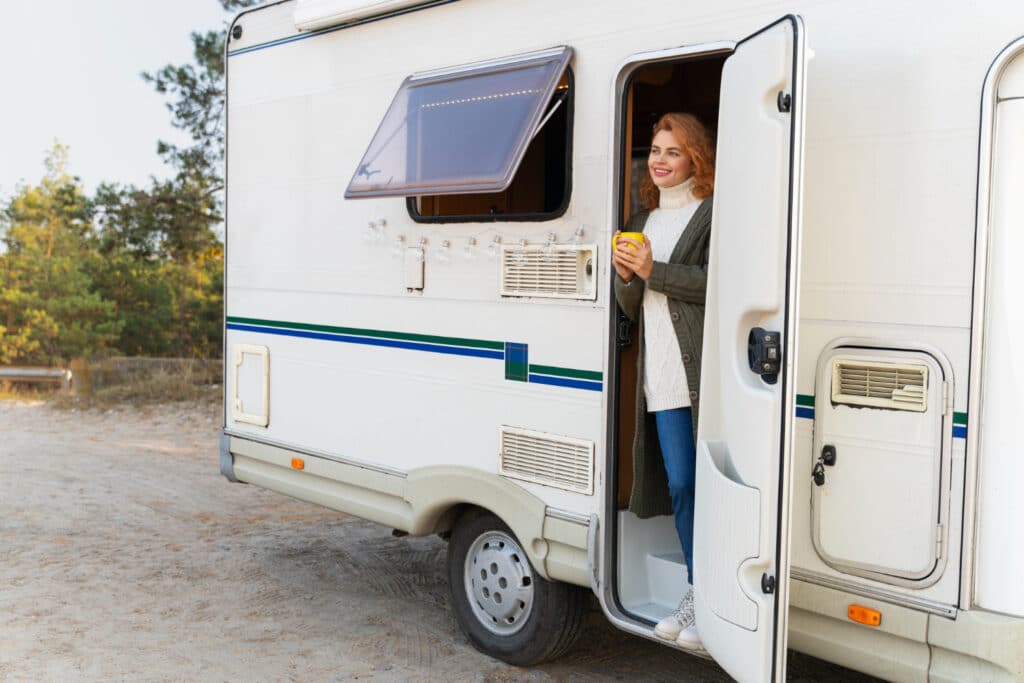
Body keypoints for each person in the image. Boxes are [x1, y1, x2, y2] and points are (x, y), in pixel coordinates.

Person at [612, 112, 715, 650]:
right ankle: (700, 592)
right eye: (654, 150)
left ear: (695, 157)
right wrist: (628, 277)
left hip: (710, 377)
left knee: (713, 487)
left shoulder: (713, 212)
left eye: (672, 152)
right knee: (681, 484)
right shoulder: (642, 220)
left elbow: (722, 283)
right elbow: (632, 307)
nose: (658, 160)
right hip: (662, 379)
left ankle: (713, 598)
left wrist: (656, 272)